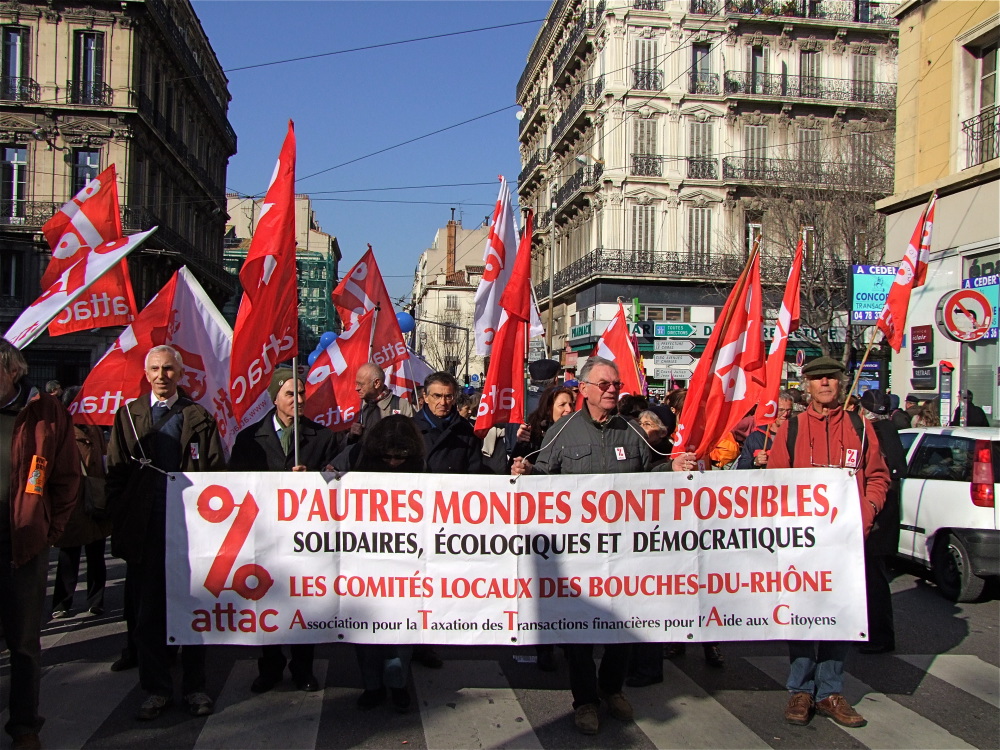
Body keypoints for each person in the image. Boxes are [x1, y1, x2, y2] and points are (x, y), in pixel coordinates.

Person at [511, 356, 695, 736]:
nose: (613, 390)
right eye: (606, 385)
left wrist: (672, 470)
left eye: (617, 384)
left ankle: (611, 689)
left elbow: (651, 473)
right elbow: (542, 480)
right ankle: (585, 701)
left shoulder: (632, 431)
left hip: (625, 553)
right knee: (579, 633)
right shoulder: (562, 433)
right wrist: (526, 473)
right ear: (585, 391)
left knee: (624, 628)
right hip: (579, 556)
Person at [767, 356, 889, 729]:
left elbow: (878, 477)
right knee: (803, 614)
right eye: (817, 379)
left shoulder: (861, 427)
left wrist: (864, 515)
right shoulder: (790, 429)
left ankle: (830, 690)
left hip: (848, 543)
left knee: (840, 615)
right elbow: (775, 484)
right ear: (807, 386)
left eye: (831, 379)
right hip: (804, 543)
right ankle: (800, 689)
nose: (824, 384)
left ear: (841, 383)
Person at [106, 345, 226, 721]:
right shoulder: (128, 416)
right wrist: (122, 520)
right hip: (146, 532)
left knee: (192, 612)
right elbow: (115, 474)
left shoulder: (199, 417)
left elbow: (216, 473)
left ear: (180, 373)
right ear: (147, 373)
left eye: (169, 369)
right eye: (156, 369)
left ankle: (195, 687)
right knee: (148, 615)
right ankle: (156, 689)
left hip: (190, 534)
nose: (162, 375)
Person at [229, 368, 342, 694]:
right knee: (269, 603)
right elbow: (236, 485)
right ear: (274, 397)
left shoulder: (322, 436)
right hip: (265, 535)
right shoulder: (250, 438)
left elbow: (337, 482)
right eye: (291, 394)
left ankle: (303, 667)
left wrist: (314, 479)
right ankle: (271, 666)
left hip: (306, 537)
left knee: (303, 603)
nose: (299, 400)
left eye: (302, 394)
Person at [0, 339, 80, 750]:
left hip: (23, 545)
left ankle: (25, 727)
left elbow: (67, 477)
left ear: (13, 370)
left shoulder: (44, 414)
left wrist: (47, 530)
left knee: (25, 642)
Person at [346, 415, 425, 712]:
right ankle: (372, 686)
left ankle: (398, 683)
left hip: (405, 562)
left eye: (400, 457)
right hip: (364, 561)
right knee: (365, 630)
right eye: (387, 456)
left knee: (400, 629)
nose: (393, 462)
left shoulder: (421, 467)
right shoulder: (356, 457)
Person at [509, 385, 576, 672]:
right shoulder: (534, 431)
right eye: (562, 405)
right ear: (549, 406)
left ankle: (567, 637)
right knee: (542, 583)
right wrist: (521, 445)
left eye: (571, 404)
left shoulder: (576, 431)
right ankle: (543, 646)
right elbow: (512, 469)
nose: (568, 410)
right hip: (538, 519)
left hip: (569, 516)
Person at [51, 386, 112, 619]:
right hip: (72, 502)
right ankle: (62, 603)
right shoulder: (61, 431)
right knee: (69, 555)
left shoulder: (95, 430)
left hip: (94, 500)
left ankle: (96, 601)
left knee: (95, 554)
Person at [858, 389, 908, 654]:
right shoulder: (889, 430)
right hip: (882, 518)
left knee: (873, 580)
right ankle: (872, 632)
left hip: (876, 519)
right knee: (872, 578)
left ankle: (878, 636)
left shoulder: (875, 433)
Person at [350, 362, 415, 443]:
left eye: (361, 384)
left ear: (377, 383)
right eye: (356, 383)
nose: (357, 388)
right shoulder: (359, 404)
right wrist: (351, 435)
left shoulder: (401, 406)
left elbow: (412, 439)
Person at [736, 392, 795, 470]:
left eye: (789, 410)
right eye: (781, 410)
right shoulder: (756, 437)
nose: (785, 414)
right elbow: (741, 466)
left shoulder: (797, 434)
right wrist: (755, 462)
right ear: (772, 410)